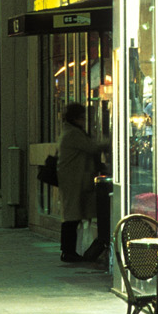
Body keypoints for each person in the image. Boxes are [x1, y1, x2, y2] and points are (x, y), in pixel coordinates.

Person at [56, 102, 109, 263]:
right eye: (82, 117)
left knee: (73, 216)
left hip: (74, 179)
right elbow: (92, 147)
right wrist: (110, 141)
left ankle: (69, 251)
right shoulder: (73, 134)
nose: (84, 120)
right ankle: (68, 251)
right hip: (73, 180)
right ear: (75, 118)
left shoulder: (70, 131)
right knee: (72, 217)